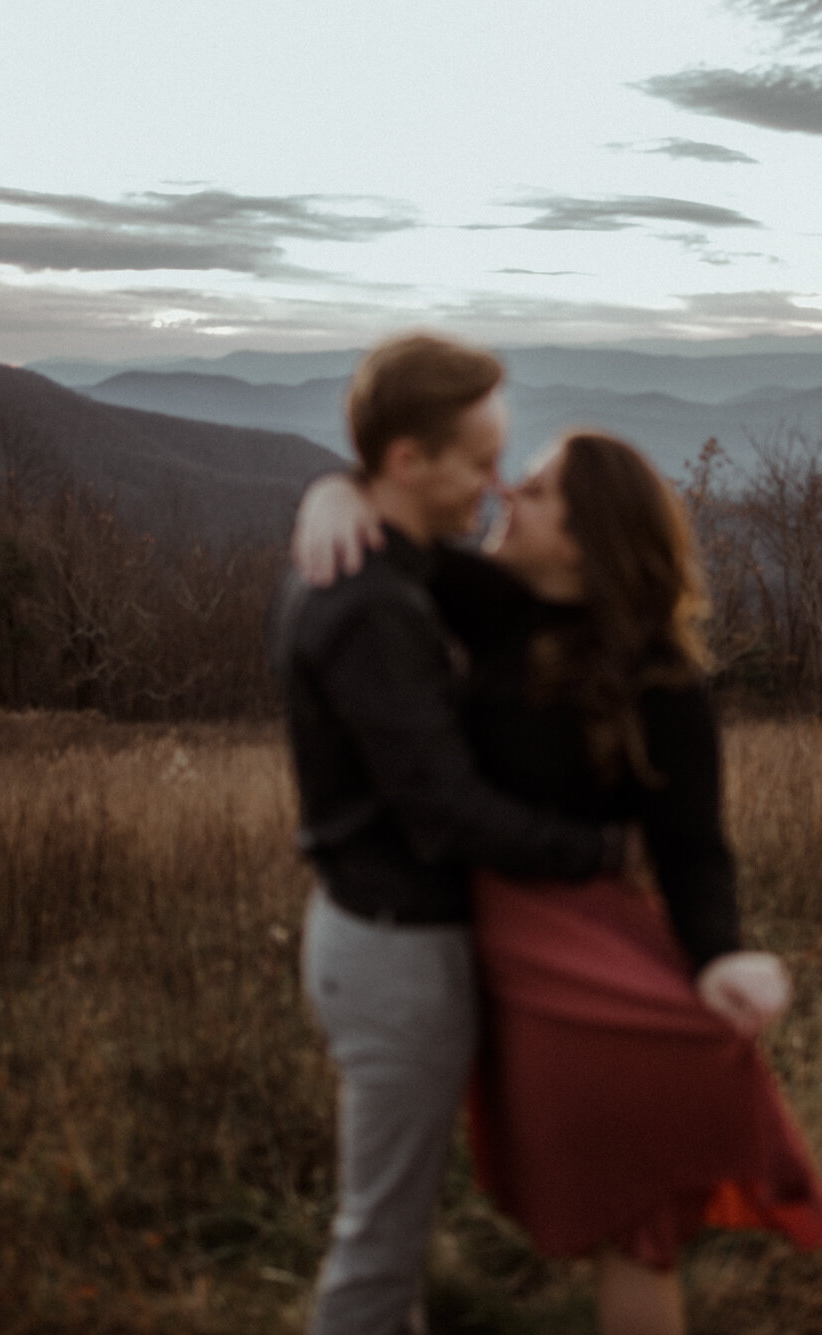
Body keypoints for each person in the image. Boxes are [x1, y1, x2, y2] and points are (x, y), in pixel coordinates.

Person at [293, 429, 822, 1335]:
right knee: (578, 1215)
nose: (507, 493)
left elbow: (693, 849)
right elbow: (396, 553)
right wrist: (333, 494)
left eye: (538, 491)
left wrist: (721, 955)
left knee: (636, 1230)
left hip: (584, 968)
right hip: (496, 959)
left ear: (585, 539)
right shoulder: (498, 609)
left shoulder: (664, 684)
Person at [272, 333, 635, 1335]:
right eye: (477, 461)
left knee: (394, 1241)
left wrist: (330, 486)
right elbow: (445, 808)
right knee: (377, 1252)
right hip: (393, 954)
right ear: (406, 462)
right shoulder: (368, 604)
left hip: (386, 939)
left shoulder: (385, 563)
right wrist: (598, 855)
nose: (497, 483)